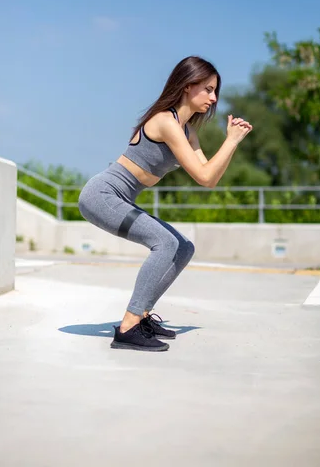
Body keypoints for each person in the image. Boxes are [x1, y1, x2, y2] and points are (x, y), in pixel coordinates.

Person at [78, 56, 252, 352]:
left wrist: (230, 143)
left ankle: (142, 315)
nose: (213, 98)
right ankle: (129, 326)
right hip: (102, 195)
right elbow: (204, 174)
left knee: (184, 247)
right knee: (165, 243)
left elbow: (208, 178)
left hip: (120, 198)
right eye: (208, 89)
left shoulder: (188, 131)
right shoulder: (165, 121)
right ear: (188, 86)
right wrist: (231, 142)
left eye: (215, 91)